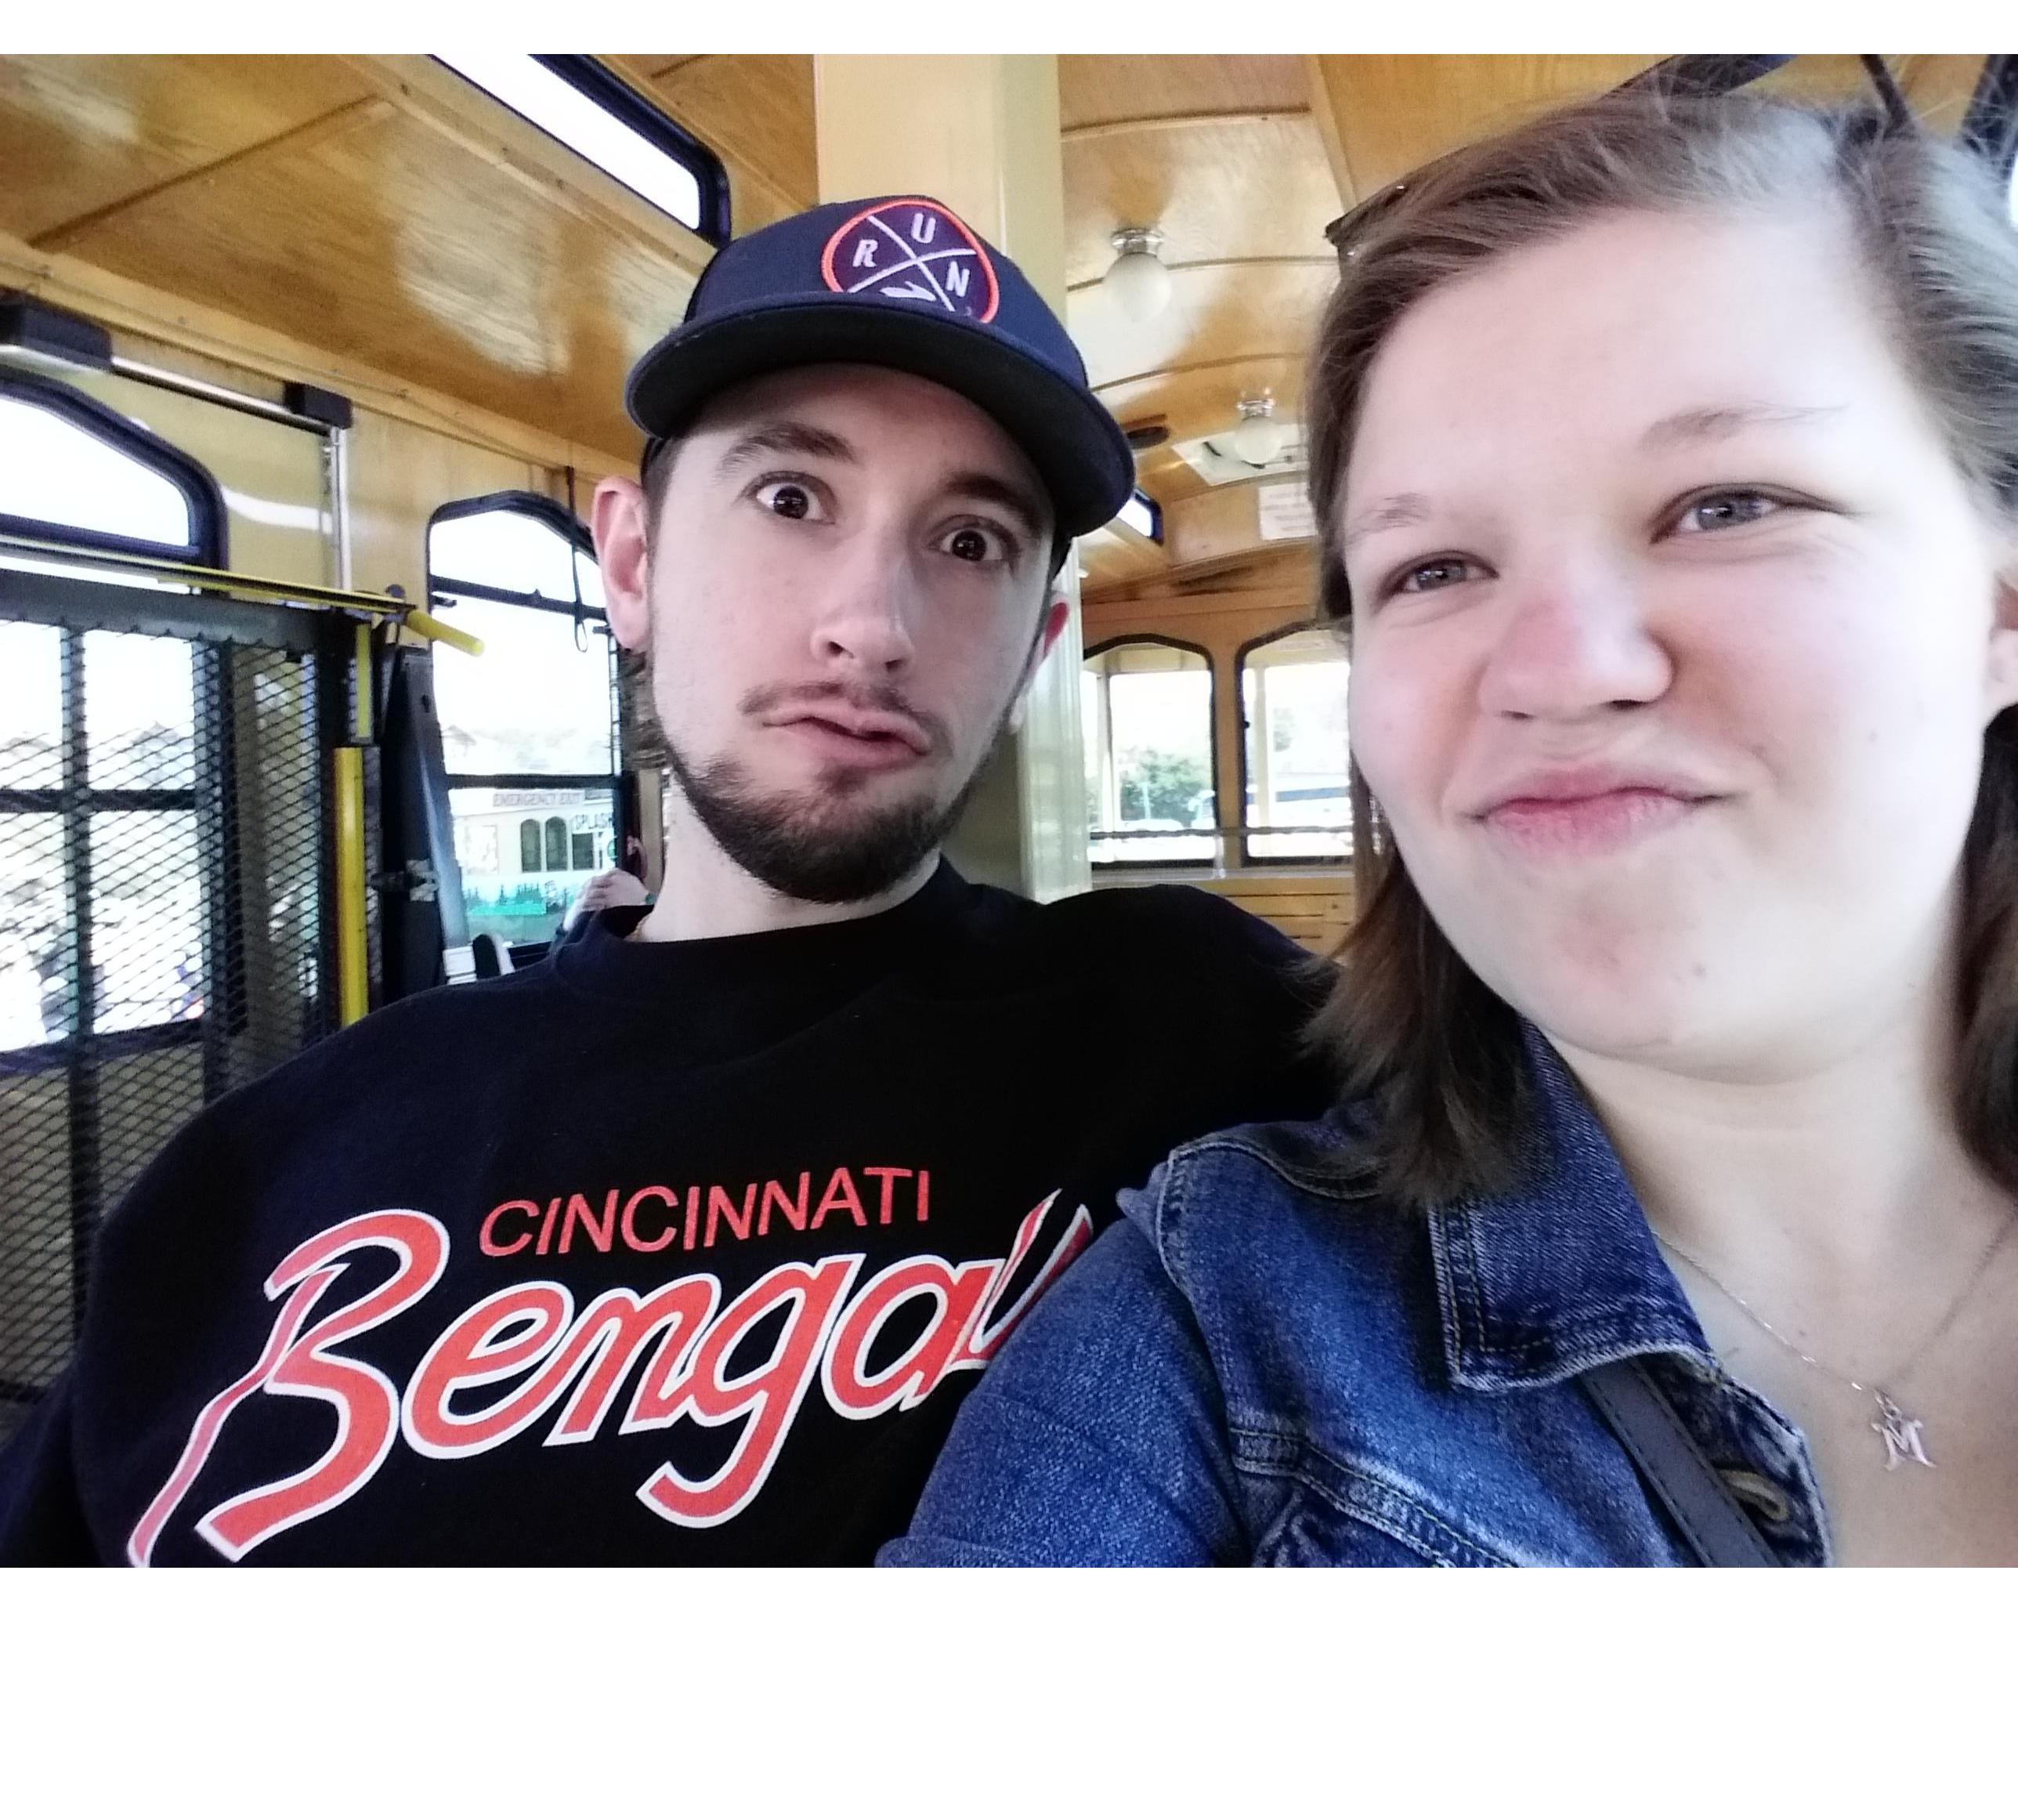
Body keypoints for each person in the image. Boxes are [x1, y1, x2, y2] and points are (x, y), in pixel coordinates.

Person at [0, 194, 1335, 1566]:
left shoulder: (1200, 1028)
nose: (870, 627)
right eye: (791, 498)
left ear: (1038, 643)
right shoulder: (266, 1172)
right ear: (632, 563)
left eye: (969, 542)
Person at [887, 92, 2018, 1568]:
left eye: (1726, 505)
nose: (1557, 670)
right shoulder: (1213, 1330)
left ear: (2000, 607)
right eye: (1433, 569)